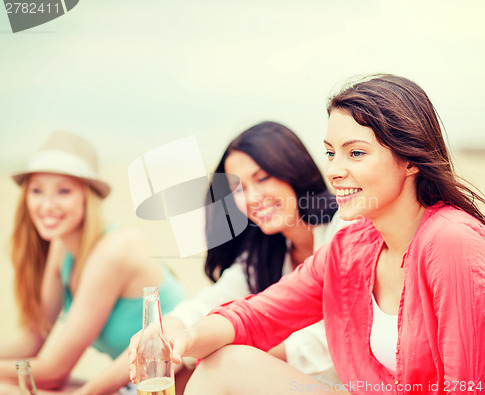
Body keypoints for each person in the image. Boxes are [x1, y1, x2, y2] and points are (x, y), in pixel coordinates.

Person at [130, 75, 485, 394]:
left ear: (410, 160)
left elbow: (472, 381)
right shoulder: (352, 247)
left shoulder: (452, 241)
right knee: (221, 364)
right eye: (330, 153)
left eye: (355, 153)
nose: (335, 170)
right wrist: (185, 339)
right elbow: (256, 316)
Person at [127, 121, 345, 393]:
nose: (252, 198)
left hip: (347, 385)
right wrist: (168, 333)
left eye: (263, 178)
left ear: (294, 170)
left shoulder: (345, 229)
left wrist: (215, 343)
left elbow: (325, 341)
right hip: (287, 384)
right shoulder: (265, 251)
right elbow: (204, 306)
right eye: (238, 189)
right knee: (182, 359)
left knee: (218, 361)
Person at [0, 131, 185, 394]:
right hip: (129, 385)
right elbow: (30, 342)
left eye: (63, 191)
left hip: (168, 386)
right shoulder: (61, 244)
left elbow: (53, 372)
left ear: (88, 196)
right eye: (37, 190)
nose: (47, 205)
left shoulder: (113, 252)